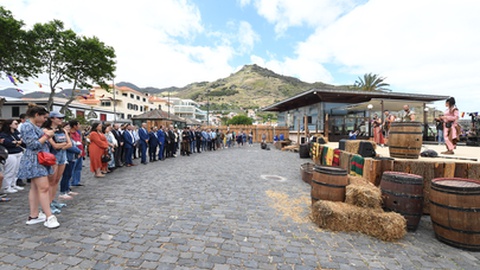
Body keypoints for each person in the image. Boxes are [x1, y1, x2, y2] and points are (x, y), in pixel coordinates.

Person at [19, 103, 60, 229]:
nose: (45, 120)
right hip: (35, 159)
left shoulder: (31, 125)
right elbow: (33, 145)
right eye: (44, 117)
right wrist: (47, 135)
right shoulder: (27, 126)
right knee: (43, 188)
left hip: (38, 159)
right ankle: (49, 216)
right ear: (37, 115)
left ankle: (34, 215)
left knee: (35, 188)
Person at [42, 112, 72, 210]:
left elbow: (70, 144)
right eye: (59, 118)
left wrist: (61, 145)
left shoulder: (63, 130)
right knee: (51, 181)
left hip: (62, 156)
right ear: (52, 118)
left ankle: (52, 200)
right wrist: (64, 145)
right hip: (52, 156)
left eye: (62, 117)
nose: (61, 119)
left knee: (56, 180)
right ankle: (48, 203)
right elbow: (54, 145)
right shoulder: (46, 130)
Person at [0, 119, 26, 194]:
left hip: (18, 152)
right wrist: (17, 142)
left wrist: (17, 142)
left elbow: (22, 141)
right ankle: (6, 186)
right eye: (15, 123)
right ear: (9, 125)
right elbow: (7, 143)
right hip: (10, 154)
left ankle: (13, 184)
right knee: (10, 171)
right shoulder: (3, 134)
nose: (17, 125)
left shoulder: (16, 132)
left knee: (16, 170)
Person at [69, 120, 86, 186]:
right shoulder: (69, 133)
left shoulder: (78, 132)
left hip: (80, 151)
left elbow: (80, 141)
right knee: (72, 168)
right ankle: (70, 182)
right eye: (78, 125)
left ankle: (76, 181)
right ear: (74, 126)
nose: (79, 126)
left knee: (78, 168)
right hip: (74, 152)